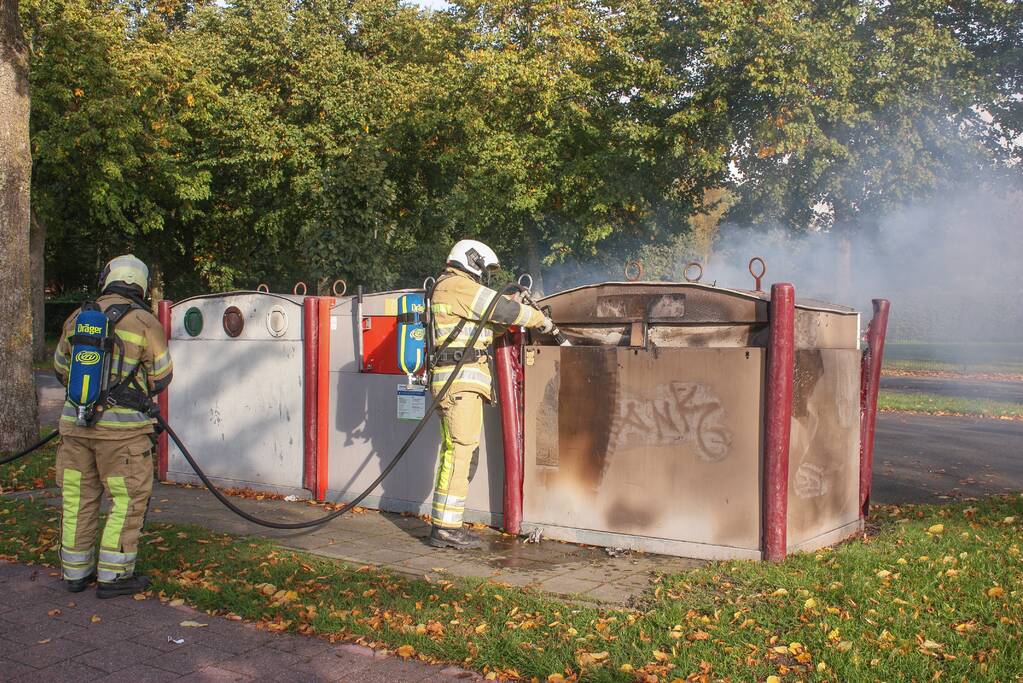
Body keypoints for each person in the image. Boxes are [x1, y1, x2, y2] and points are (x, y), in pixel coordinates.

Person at [52, 254, 173, 597]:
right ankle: (114, 575)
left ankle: (75, 572)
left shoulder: (78, 318)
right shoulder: (145, 322)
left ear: (107, 278)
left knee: (77, 498)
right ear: (141, 285)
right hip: (123, 436)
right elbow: (162, 377)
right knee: (126, 500)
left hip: (75, 428)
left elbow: (61, 369)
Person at [427, 240, 556, 550]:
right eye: (483, 268)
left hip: (458, 387)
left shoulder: (452, 289)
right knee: (459, 453)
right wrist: (540, 319)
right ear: (472, 261)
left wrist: (508, 312)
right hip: (459, 387)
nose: (483, 275)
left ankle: (447, 525)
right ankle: (445, 529)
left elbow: (486, 327)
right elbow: (502, 310)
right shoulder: (457, 286)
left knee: (460, 454)